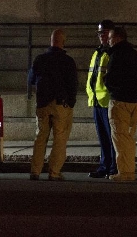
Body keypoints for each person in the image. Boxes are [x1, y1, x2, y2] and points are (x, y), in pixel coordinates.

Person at [28, 29, 78, 181]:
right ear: (63, 42)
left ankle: (35, 171)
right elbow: (73, 84)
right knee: (60, 138)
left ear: (51, 41)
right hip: (60, 105)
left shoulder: (40, 59)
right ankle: (54, 172)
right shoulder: (68, 61)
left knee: (40, 137)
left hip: (42, 104)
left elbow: (31, 79)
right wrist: (71, 102)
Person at [105, 27, 137, 182]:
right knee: (128, 138)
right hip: (135, 101)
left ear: (116, 38)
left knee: (119, 138)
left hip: (120, 101)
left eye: (109, 38)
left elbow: (110, 80)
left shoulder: (116, 56)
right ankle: (129, 171)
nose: (108, 41)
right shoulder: (136, 55)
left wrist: (110, 86)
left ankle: (124, 173)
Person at [86, 20, 117, 179]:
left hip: (107, 100)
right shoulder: (98, 52)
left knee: (111, 138)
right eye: (99, 33)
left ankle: (113, 168)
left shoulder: (111, 53)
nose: (101, 36)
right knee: (103, 137)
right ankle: (105, 166)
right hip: (97, 101)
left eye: (104, 32)